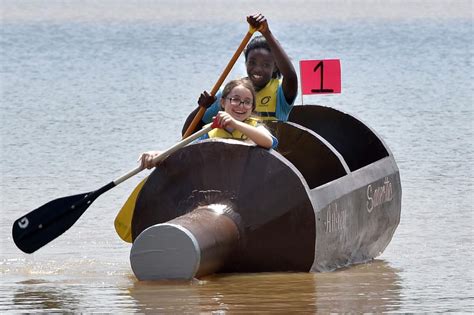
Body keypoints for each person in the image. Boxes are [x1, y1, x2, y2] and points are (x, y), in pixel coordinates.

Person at [182, 13, 298, 136]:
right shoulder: (228, 92)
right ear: (245, 62)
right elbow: (187, 134)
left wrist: (267, 33)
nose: (257, 69)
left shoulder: (281, 92)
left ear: (275, 67)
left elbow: (290, 77)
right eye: (252, 63)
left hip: (267, 152)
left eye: (265, 65)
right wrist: (202, 108)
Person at [140, 78, 278, 169]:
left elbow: (268, 142)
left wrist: (235, 123)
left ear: (252, 107)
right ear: (223, 102)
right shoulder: (209, 132)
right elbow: (184, 152)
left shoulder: (255, 127)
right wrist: (158, 155)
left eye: (247, 102)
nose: (241, 106)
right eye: (235, 100)